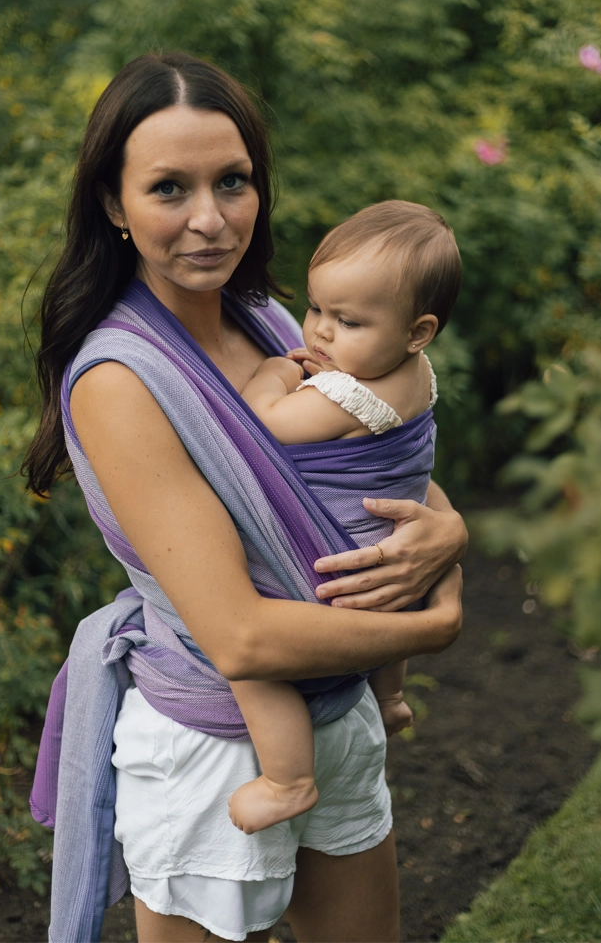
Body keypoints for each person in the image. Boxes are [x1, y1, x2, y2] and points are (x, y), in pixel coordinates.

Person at [26, 51, 466, 943]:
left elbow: (378, 458)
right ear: (114, 205)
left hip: (335, 709)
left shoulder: (265, 317)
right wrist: (433, 626)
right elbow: (242, 634)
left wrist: (448, 531)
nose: (210, 220)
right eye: (168, 189)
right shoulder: (122, 379)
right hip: (218, 742)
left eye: (232, 182)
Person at [229, 200, 462, 835]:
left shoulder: (344, 393)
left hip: (335, 562)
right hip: (391, 559)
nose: (321, 334)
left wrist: (275, 372)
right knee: (389, 618)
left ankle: (287, 779)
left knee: (247, 659)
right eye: (316, 310)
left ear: (418, 332)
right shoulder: (416, 376)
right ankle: (389, 697)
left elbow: (265, 425)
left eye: (349, 321)